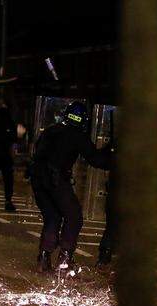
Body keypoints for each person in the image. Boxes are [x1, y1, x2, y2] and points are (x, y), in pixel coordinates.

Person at [30, 101, 111, 273]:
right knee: (74, 216)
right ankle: (65, 258)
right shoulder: (77, 135)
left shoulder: (52, 130)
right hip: (55, 180)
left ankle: (44, 258)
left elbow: (38, 152)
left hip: (38, 180)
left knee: (53, 217)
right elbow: (96, 159)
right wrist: (111, 152)